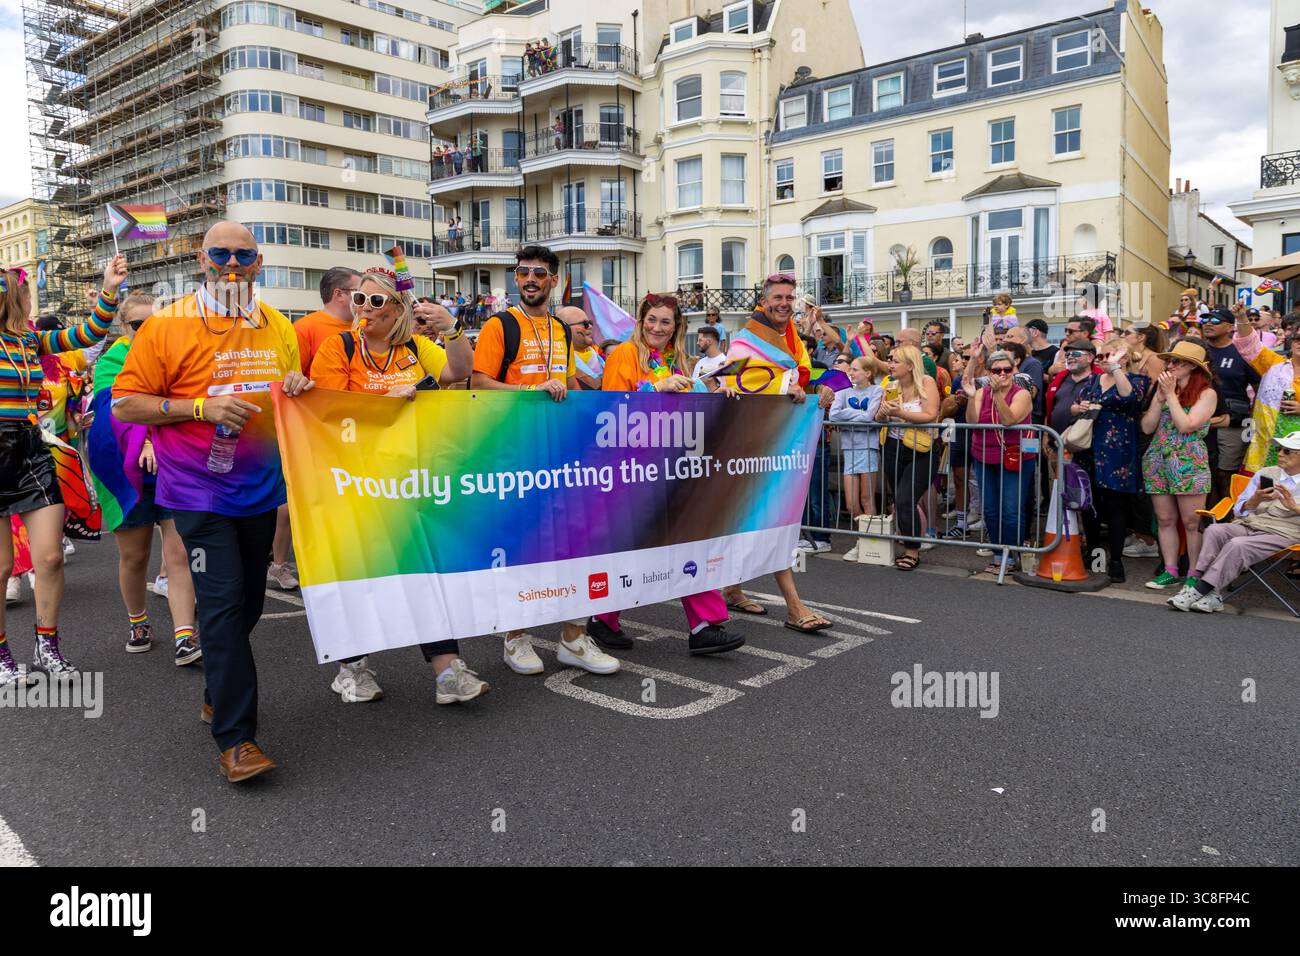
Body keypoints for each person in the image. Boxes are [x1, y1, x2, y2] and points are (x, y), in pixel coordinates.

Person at [113, 221, 308, 783]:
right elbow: (126, 404)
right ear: (201, 259)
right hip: (196, 491)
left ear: (258, 261)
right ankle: (237, 740)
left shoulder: (276, 324)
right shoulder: (168, 326)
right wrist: (200, 409)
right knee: (222, 607)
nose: (231, 264)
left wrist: (294, 384)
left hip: (259, 488)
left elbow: (288, 385)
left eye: (242, 255)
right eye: (219, 253)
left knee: (247, 606)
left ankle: (216, 691)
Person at [303, 268, 482, 704]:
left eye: (376, 302)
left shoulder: (416, 347)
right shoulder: (338, 346)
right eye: (359, 300)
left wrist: (453, 329)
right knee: (362, 576)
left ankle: (447, 671)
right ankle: (352, 669)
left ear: (398, 309)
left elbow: (459, 371)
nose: (364, 309)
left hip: (410, 481)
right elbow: (328, 414)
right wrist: (383, 404)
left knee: (426, 571)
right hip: (355, 483)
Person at [470, 244, 620, 676]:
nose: (530, 279)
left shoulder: (559, 327)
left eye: (539, 272)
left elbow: (569, 383)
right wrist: (529, 393)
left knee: (576, 542)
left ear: (553, 279)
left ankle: (574, 638)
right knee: (522, 546)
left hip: (560, 453)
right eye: (523, 273)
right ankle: (514, 638)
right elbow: (478, 383)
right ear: (516, 280)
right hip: (514, 452)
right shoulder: (500, 325)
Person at [585, 293, 742, 656]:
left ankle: (705, 625)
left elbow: (692, 400)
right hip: (632, 467)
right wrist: (655, 387)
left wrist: (718, 391)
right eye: (651, 320)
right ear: (641, 322)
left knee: (689, 540)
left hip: (673, 464)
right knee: (630, 546)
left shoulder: (680, 361)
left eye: (665, 322)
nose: (657, 327)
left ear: (677, 326)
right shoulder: (624, 354)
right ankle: (602, 619)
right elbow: (609, 408)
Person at [0, 256, 126, 687]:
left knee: (50, 556)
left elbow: (88, 334)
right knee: (0, 567)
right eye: (23, 290)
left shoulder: (32, 340)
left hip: (31, 450)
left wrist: (109, 288)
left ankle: (46, 645)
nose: (28, 296)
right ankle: (1, 654)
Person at [88, 292, 200, 661]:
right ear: (125, 327)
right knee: (135, 557)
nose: (148, 330)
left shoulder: (178, 354)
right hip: (125, 470)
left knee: (180, 552)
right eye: (139, 324)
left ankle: (185, 634)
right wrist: (144, 442)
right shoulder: (111, 362)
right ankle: (138, 621)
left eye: (156, 322)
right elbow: (113, 416)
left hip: (174, 465)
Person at [718, 274, 834, 631]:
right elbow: (735, 380)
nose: (784, 303)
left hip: (781, 440)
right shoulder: (744, 340)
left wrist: (820, 389)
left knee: (760, 521)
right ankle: (795, 606)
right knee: (770, 520)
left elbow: (799, 377)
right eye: (778, 297)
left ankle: (732, 589)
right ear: (764, 302)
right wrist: (788, 385)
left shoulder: (793, 338)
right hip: (751, 442)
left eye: (789, 297)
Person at [1168, 431, 1300, 612]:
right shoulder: (1266, 473)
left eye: (1286, 451)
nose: (1279, 453)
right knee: (1215, 531)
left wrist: (1294, 507)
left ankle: (1199, 590)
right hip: (1251, 524)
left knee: (1237, 545)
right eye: (1279, 449)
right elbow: (1239, 509)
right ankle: (1202, 586)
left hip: (1284, 533)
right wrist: (1256, 498)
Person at [1139, 340, 1217, 591]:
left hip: (1188, 461)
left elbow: (1186, 425)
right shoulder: (1164, 390)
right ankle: (1170, 570)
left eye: (1176, 362)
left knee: (1192, 522)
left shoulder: (1207, 394)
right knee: (1164, 519)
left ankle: (1195, 572)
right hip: (1158, 458)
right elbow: (1148, 427)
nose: (1169, 366)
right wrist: (1159, 399)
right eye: (1169, 361)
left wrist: (1171, 395)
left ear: (1192, 368)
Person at [1072, 339, 1149, 583]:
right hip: (1089, 449)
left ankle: (1115, 561)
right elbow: (1076, 405)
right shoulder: (1093, 381)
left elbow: (1129, 398)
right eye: (1102, 356)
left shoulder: (1137, 380)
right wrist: (1078, 408)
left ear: (1123, 358)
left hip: (1118, 451)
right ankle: (1093, 553)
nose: (1103, 360)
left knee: (1117, 507)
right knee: (1090, 505)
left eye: (1109, 356)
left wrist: (1116, 369)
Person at [963, 349, 1035, 574]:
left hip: (1015, 457)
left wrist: (997, 396)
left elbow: (1009, 420)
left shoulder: (1021, 393)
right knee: (991, 509)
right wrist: (971, 396)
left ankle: (1011, 557)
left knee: (1011, 509)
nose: (1003, 374)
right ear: (989, 372)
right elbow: (972, 421)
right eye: (997, 370)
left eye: (1008, 369)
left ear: (1015, 370)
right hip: (984, 456)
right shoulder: (981, 392)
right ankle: (997, 554)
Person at [875, 344, 941, 570]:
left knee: (905, 499)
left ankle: (912, 551)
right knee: (900, 501)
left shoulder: (926, 383)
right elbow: (880, 418)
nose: (890, 364)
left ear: (910, 365)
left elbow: (931, 414)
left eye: (895, 360)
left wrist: (899, 413)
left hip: (920, 449)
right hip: (893, 446)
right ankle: (908, 545)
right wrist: (882, 414)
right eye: (890, 360)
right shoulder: (891, 385)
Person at [1198, 308, 1261, 504]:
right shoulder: (1197, 350)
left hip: (1231, 423)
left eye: (1215, 320)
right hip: (1197, 420)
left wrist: (1254, 420)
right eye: (1205, 319)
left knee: (1225, 474)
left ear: (1229, 327)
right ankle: (1206, 521)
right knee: (1203, 474)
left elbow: (1259, 388)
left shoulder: (1241, 352)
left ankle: (1227, 516)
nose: (1208, 323)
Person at [830, 356, 883, 561]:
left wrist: (848, 414)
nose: (850, 373)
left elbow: (870, 416)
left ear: (868, 373)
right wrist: (858, 415)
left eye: (855, 369)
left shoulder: (877, 391)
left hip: (868, 447)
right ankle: (863, 539)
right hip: (849, 448)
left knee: (867, 498)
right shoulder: (842, 392)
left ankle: (870, 543)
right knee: (851, 503)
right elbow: (834, 416)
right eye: (850, 369)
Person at [294, 267, 363, 377]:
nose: (365, 299)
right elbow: (294, 378)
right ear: (339, 294)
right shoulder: (304, 328)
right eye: (360, 294)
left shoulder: (366, 326)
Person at [1246, 332, 1300, 471]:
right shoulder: (1274, 363)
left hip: (1295, 448)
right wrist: (1241, 318)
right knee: (1263, 487)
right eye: (1297, 338)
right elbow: (1249, 344)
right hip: (1265, 441)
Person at [562, 306, 603, 390]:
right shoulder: (557, 362)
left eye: (590, 322)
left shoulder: (604, 358)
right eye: (585, 324)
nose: (590, 326)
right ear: (565, 328)